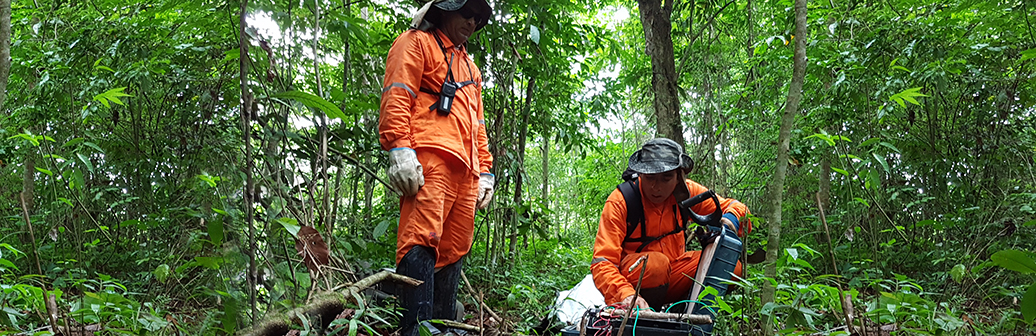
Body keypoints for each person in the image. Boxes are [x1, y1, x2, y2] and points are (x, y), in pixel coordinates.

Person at [377, 0, 493, 334]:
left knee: (455, 246)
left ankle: (445, 328)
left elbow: (477, 124)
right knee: (421, 239)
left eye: (477, 17)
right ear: (444, 10)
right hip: (430, 158)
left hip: (467, 171)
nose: (471, 21)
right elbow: (397, 94)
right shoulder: (415, 43)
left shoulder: (470, 68)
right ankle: (416, 329)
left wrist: (485, 170)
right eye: (465, 13)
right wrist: (399, 147)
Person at [591, 138, 752, 311]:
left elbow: (737, 208)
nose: (656, 187)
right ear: (640, 174)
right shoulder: (621, 201)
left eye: (666, 178)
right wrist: (625, 294)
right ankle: (644, 316)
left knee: (731, 267)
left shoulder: (686, 193)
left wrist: (730, 222)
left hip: (674, 273)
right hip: (634, 279)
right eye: (650, 178)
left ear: (678, 177)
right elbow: (603, 261)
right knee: (655, 265)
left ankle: (686, 317)